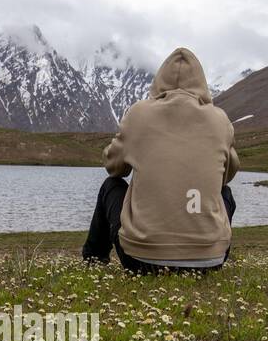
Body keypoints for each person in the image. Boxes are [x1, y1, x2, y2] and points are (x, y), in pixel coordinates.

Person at [82, 46, 238, 273]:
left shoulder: (138, 114)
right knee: (225, 193)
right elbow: (228, 173)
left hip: (140, 261)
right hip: (209, 262)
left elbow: (113, 168)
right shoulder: (220, 120)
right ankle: (208, 247)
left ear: (159, 80)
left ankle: (94, 259)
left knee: (111, 186)